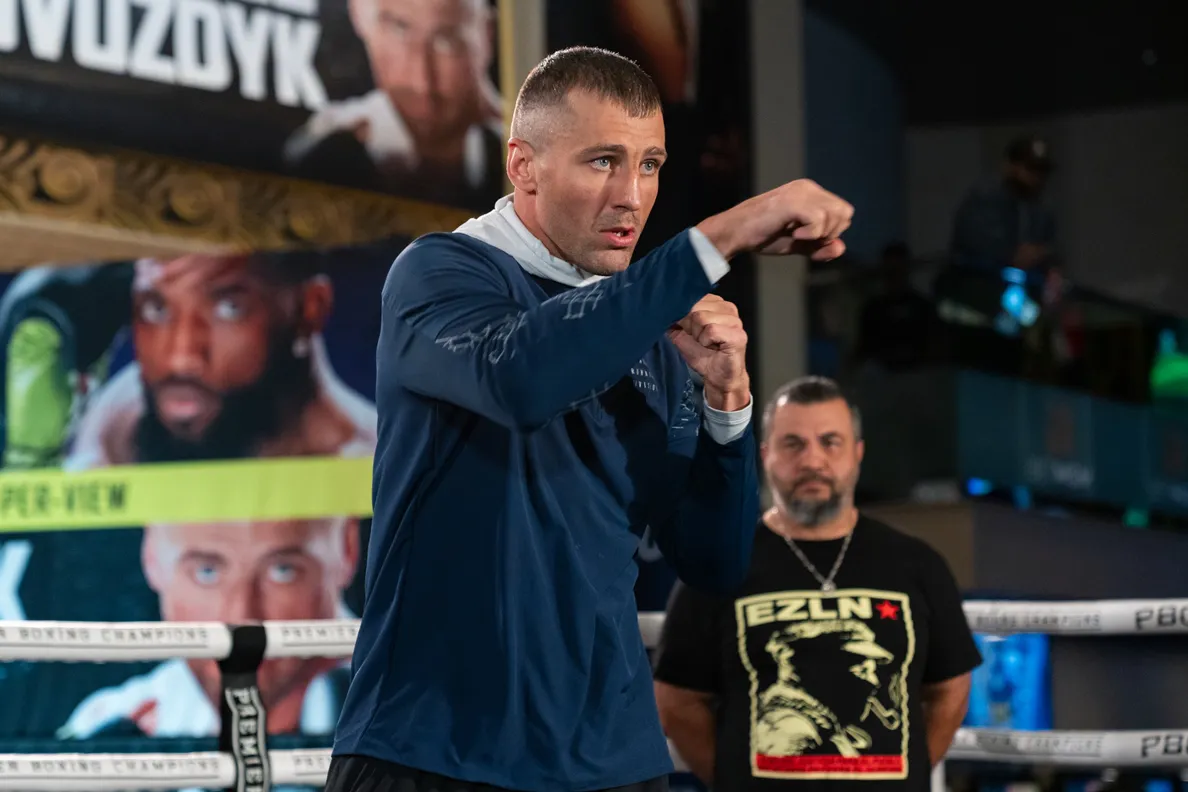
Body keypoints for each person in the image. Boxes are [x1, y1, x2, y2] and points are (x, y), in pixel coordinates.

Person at [326, 47, 853, 792]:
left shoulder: (658, 329)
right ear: (525, 166)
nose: (632, 196)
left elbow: (714, 561)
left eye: (649, 164)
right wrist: (722, 237)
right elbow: (520, 376)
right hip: (432, 750)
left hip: (612, 763)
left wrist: (726, 404)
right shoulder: (442, 275)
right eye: (603, 161)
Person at [652, 376, 982, 792]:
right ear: (766, 454)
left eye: (831, 442)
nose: (813, 460)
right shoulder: (722, 562)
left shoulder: (917, 564)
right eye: (794, 444)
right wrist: (736, 779)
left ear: (857, 453)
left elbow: (950, 692)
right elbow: (677, 700)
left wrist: (906, 774)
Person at [63, 252, 376, 469]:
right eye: (156, 310)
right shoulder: (116, 420)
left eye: (229, 309)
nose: (182, 359)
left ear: (310, 309)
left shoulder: (371, 470)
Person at [57, 517, 361, 739]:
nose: (242, 616)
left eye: (282, 570)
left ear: (347, 548)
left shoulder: (395, 704)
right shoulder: (112, 721)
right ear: (152, 559)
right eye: (207, 572)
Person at [284, 0, 504, 211]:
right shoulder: (323, 142)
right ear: (358, 15)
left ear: (487, 35)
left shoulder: (512, 141)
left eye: (447, 40)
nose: (422, 77)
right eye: (399, 29)